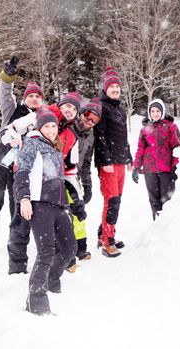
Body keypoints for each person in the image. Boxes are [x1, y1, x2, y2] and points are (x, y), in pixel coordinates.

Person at [0, 56, 43, 259]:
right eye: (30, 96)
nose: (34, 99)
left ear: (41, 100)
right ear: (25, 98)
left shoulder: (42, 119)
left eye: (37, 97)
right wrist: (8, 75)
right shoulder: (12, 110)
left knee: (19, 208)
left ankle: (16, 247)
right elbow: (4, 93)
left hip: (20, 171)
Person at [13, 107, 76, 315]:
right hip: (39, 204)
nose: (51, 129)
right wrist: (24, 198)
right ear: (40, 128)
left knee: (69, 248)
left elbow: (59, 180)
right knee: (46, 251)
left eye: (54, 126)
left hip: (57, 205)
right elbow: (22, 171)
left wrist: (68, 205)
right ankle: (36, 302)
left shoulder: (56, 148)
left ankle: (51, 280)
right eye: (47, 126)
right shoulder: (32, 143)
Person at [59, 97, 102, 272]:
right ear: (81, 113)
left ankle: (80, 247)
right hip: (59, 175)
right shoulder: (68, 127)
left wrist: (88, 185)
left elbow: (86, 163)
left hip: (73, 176)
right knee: (63, 215)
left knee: (79, 212)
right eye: (88, 115)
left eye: (95, 119)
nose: (89, 121)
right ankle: (63, 250)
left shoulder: (90, 135)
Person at [93, 66, 133, 258]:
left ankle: (105, 234)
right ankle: (107, 242)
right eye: (112, 87)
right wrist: (106, 159)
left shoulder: (120, 110)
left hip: (120, 161)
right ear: (106, 89)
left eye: (118, 86)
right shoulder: (102, 107)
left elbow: (123, 137)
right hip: (108, 164)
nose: (116, 89)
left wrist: (129, 156)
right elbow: (99, 136)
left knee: (115, 201)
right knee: (112, 202)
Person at [132, 99, 180, 220]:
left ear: (163, 112)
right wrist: (136, 167)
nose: (155, 113)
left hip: (166, 169)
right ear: (149, 113)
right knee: (154, 201)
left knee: (167, 200)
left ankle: (168, 228)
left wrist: (175, 167)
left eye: (158, 110)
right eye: (152, 111)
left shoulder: (171, 127)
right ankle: (157, 227)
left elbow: (177, 147)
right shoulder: (145, 130)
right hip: (149, 170)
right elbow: (140, 149)